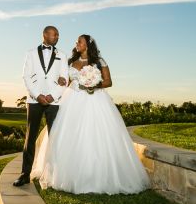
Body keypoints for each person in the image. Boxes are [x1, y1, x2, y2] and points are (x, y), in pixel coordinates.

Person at [31, 34, 149, 194]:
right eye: (77, 41)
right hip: (71, 100)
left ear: (87, 45)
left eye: (79, 41)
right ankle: (64, 174)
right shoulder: (70, 61)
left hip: (95, 101)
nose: (76, 43)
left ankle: (96, 176)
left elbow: (109, 81)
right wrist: (61, 81)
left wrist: (93, 84)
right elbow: (64, 80)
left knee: (94, 135)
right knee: (68, 135)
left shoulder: (99, 61)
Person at [13, 25, 69, 187]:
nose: (57, 37)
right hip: (34, 101)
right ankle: (24, 175)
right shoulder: (30, 54)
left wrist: (52, 96)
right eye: (55, 34)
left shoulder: (62, 55)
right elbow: (26, 76)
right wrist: (37, 95)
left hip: (54, 101)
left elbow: (64, 78)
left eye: (58, 35)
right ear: (45, 35)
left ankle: (56, 176)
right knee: (30, 138)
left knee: (55, 139)